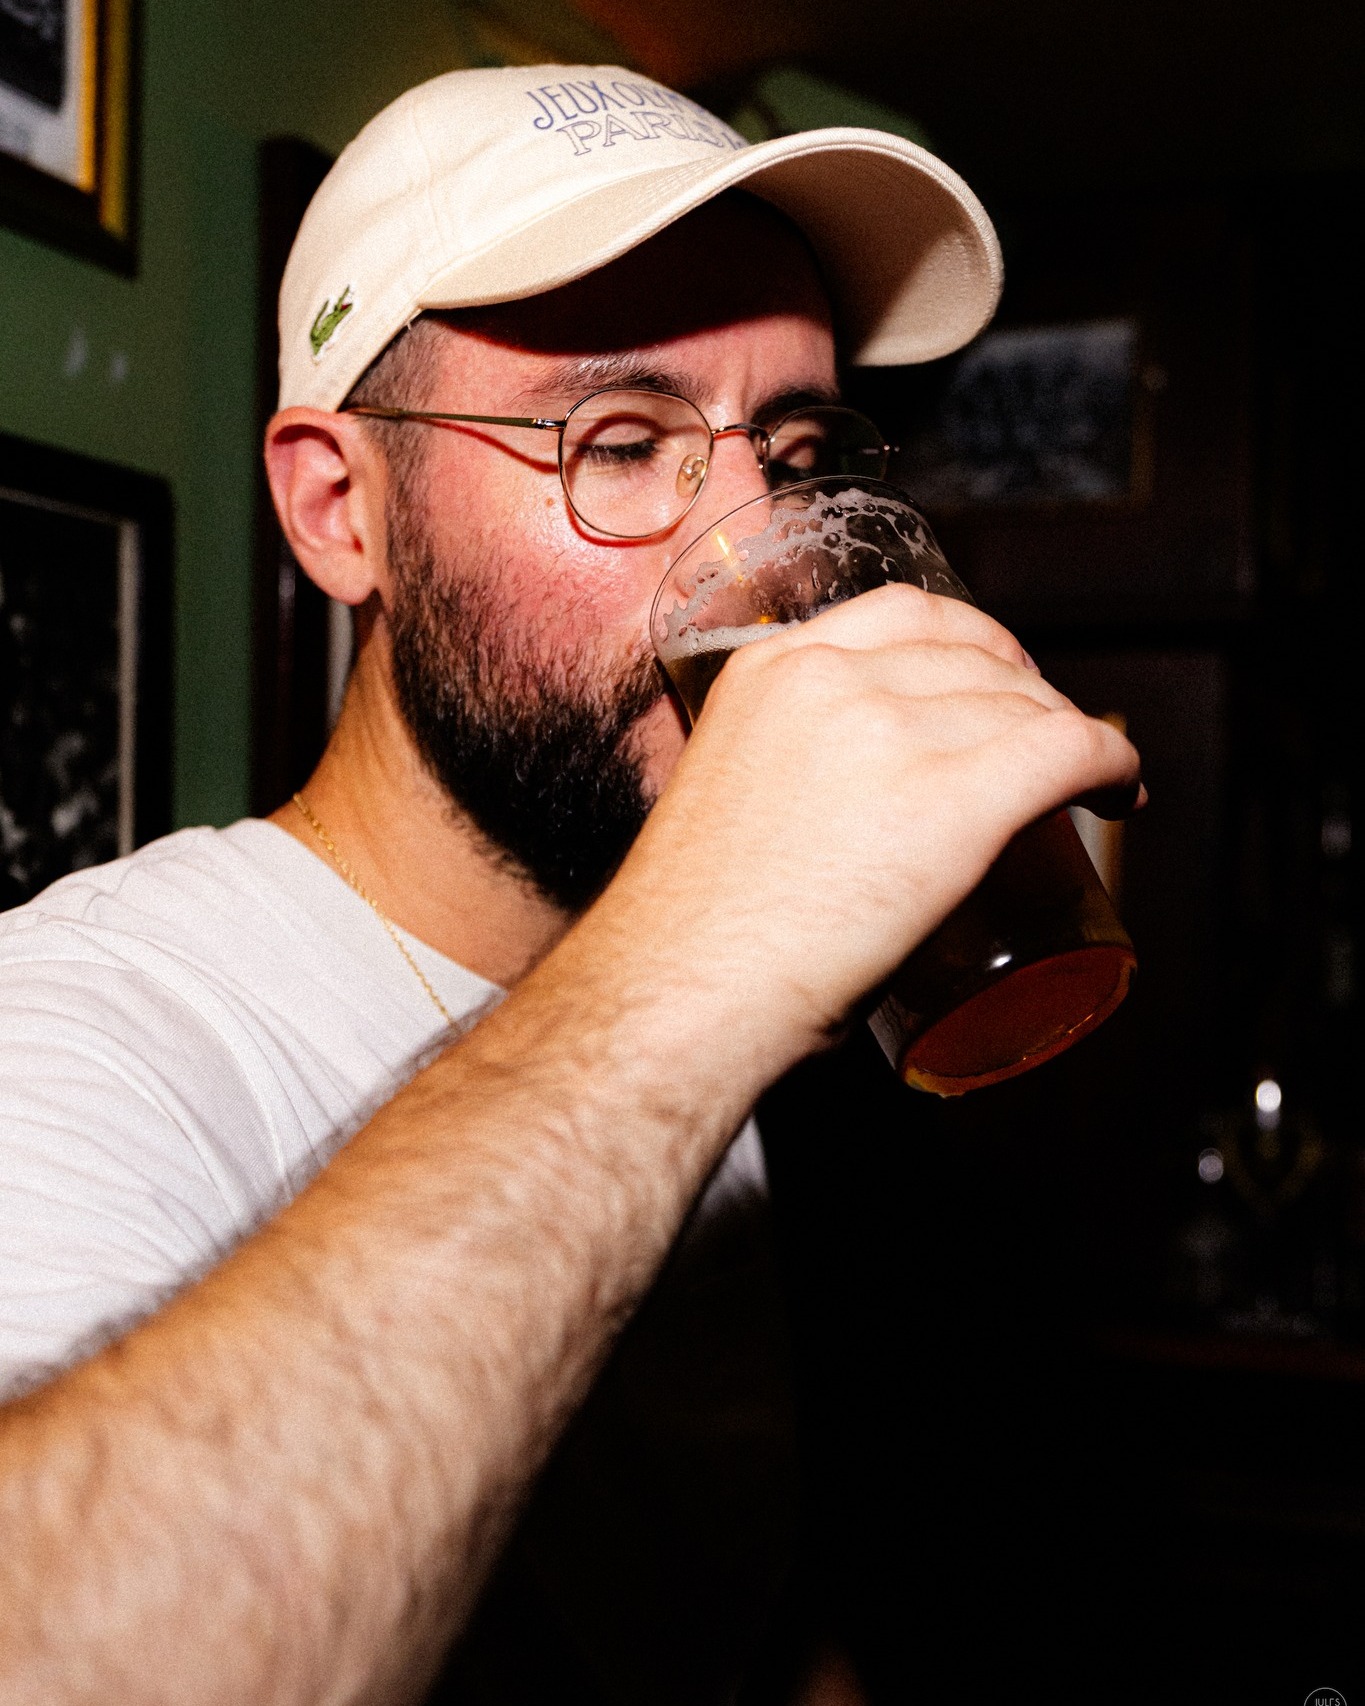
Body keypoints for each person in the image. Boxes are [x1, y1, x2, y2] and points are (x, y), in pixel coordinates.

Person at [0, 64, 1141, 1705]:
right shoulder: (94, 1032)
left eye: (799, 444)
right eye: (621, 442)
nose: (760, 539)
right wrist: (707, 959)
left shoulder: (767, 1042)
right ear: (340, 511)